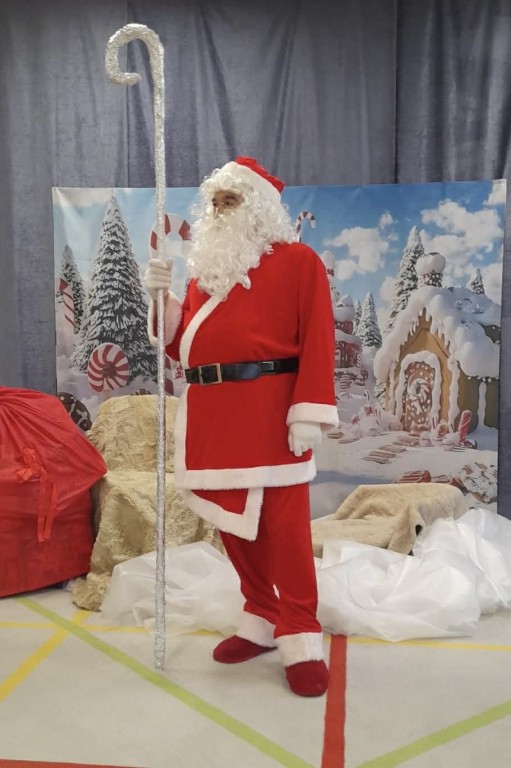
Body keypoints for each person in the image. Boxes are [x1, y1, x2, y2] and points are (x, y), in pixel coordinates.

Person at [144, 157, 338, 697]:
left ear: (260, 207)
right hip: (213, 414)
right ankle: (261, 614)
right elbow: (181, 346)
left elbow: (320, 338)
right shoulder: (207, 272)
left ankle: (300, 633)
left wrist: (309, 412)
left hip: (271, 413)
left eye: (231, 199)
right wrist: (161, 300)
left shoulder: (299, 262)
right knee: (230, 522)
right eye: (215, 201)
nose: (219, 210)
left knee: (287, 532)